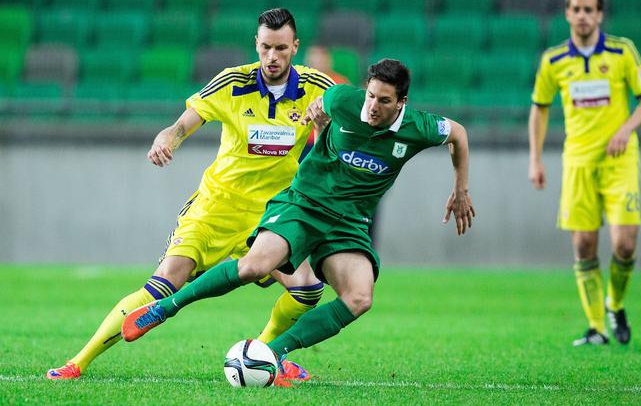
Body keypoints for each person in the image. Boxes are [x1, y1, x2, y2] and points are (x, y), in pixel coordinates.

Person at [121, 59, 475, 386]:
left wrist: (460, 189)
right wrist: (320, 122)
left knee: (359, 297)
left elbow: (458, 133)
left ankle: (273, 353)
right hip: (305, 203)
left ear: (402, 102)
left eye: (383, 100)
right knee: (252, 266)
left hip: (349, 222)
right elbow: (322, 121)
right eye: (370, 96)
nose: (372, 106)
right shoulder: (340, 100)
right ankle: (164, 308)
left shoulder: (419, 127)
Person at [46, 8, 335, 380]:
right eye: (265, 47)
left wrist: (326, 126)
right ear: (256, 44)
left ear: (295, 46)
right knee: (165, 281)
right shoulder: (233, 82)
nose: (272, 57)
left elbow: (348, 136)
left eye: (281, 48)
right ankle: (77, 363)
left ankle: (265, 354)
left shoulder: (320, 88)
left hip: (272, 215)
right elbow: (183, 124)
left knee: (308, 291)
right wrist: (167, 137)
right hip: (216, 207)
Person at [529, 0, 641, 346]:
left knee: (625, 244)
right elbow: (539, 109)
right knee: (584, 246)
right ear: (567, 14)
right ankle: (596, 327)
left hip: (620, 161)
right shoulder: (553, 61)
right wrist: (536, 159)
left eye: (589, 9)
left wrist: (625, 129)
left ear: (600, 14)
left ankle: (615, 304)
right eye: (576, 9)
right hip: (579, 162)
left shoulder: (622, 51)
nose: (583, 15)